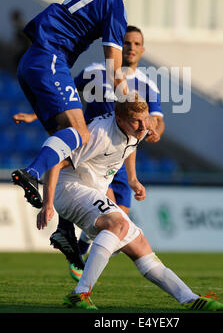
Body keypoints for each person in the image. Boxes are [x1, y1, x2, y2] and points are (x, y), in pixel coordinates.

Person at [37, 93, 223, 312]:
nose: (142, 126)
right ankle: (80, 293)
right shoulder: (98, 134)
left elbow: (130, 146)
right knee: (118, 224)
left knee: (140, 246)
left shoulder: (138, 129)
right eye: (136, 121)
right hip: (69, 188)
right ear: (119, 119)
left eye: (145, 119)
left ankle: (190, 299)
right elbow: (54, 162)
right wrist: (48, 204)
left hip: (92, 189)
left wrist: (133, 179)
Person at [13, 25, 165, 276]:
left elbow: (156, 120)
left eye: (137, 44)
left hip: (121, 157)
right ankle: (71, 242)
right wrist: (33, 115)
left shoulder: (146, 84)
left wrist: (154, 130)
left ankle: (78, 249)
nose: (131, 48)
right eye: (126, 43)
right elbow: (61, 97)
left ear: (143, 50)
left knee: (120, 221)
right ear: (117, 46)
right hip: (91, 152)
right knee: (108, 216)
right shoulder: (94, 72)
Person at [11, 0, 148, 209]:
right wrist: (133, 104)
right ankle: (31, 173)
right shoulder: (115, 8)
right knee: (80, 134)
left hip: (32, 60)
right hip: (51, 57)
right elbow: (114, 69)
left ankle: (61, 223)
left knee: (71, 151)